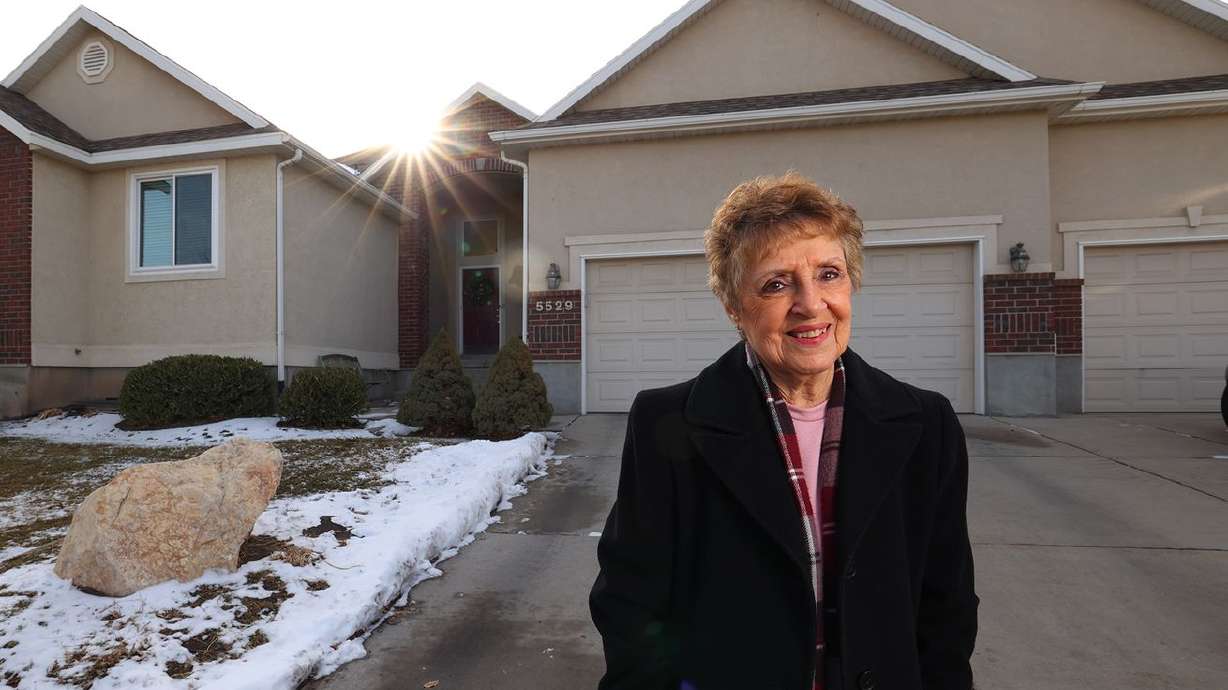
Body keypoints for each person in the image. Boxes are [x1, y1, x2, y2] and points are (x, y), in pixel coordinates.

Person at [589, 172, 979, 690]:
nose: (811, 304)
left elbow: (946, 607)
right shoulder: (667, 423)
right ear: (734, 306)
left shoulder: (927, 425)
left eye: (829, 274)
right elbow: (631, 604)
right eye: (776, 283)